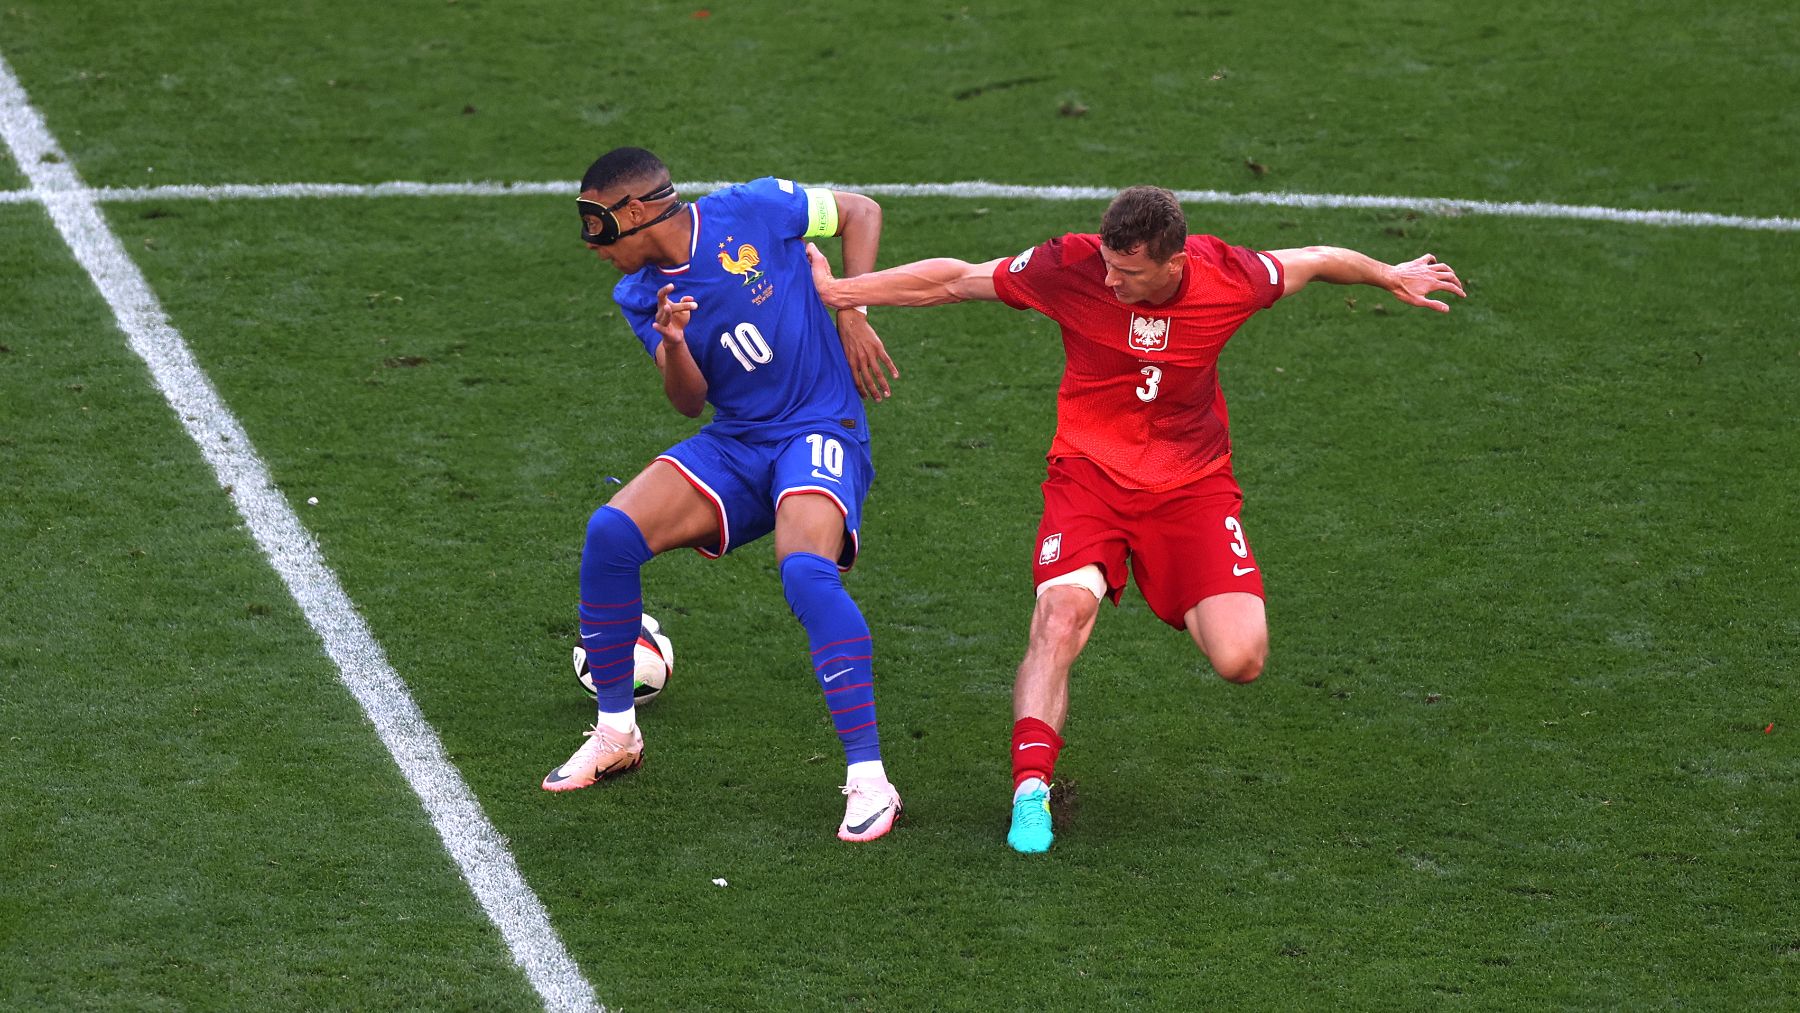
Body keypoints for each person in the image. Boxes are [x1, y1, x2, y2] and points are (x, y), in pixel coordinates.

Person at [807, 185, 1465, 853]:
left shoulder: (1229, 276)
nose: (1110, 278)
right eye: (1108, 264)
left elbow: (1317, 257)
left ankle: (1170, 580)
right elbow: (956, 280)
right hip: (1088, 477)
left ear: (1175, 263)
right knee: (1060, 616)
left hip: (1192, 488)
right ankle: (1029, 791)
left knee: (1241, 658)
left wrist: (1390, 273)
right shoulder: (1072, 266)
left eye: (1128, 272)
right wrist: (842, 295)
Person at [546, 146, 905, 844]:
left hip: (816, 427)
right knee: (610, 534)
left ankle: (869, 777)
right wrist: (675, 343)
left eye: (597, 225)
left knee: (804, 569)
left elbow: (861, 211)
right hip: (739, 438)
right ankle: (617, 732)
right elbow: (688, 403)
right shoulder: (637, 292)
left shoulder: (756, 207)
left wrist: (853, 309)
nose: (592, 245)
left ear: (639, 209)